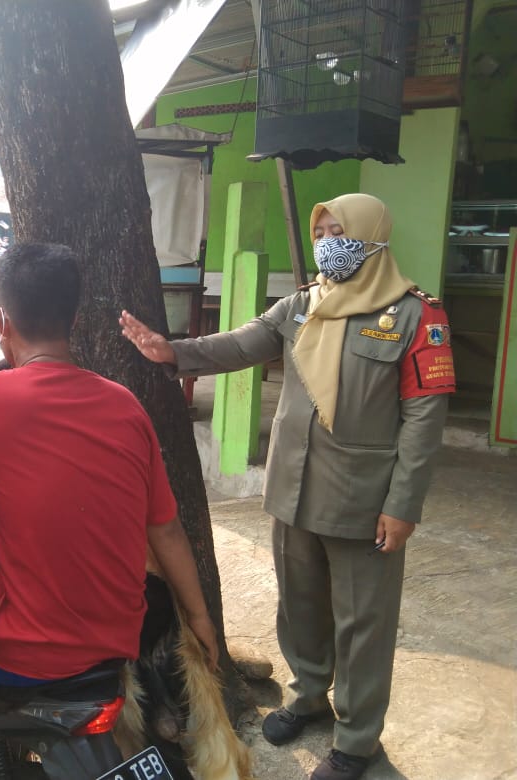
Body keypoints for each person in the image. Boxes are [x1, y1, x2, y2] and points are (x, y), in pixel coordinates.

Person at [120, 193, 456, 780]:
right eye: (321, 230)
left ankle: (357, 738)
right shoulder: (303, 304)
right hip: (294, 488)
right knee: (299, 607)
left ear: (372, 235)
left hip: (364, 499)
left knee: (362, 623)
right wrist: (173, 351)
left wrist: (403, 506)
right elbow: (243, 343)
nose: (328, 240)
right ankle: (307, 697)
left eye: (338, 230)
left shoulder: (416, 317)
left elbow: (425, 421)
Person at [0, 242, 217, 683]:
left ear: (1, 322)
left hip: (18, 654)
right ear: (74, 321)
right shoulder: (126, 407)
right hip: (120, 644)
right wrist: (200, 618)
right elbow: (165, 529)